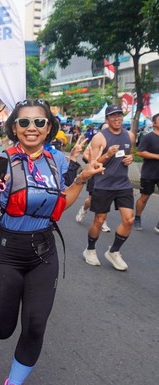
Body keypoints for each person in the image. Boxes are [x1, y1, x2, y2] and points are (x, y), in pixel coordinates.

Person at [0, 99, 104, 385]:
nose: (32, 128)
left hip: (43, 251)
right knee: (2, 326)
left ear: (48, 127)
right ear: (14, 128)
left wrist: (81, 179)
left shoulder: (56, 160)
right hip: (6, 251)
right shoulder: (2, 160)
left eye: (39, 122)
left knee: (36, 325)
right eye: (24, 122)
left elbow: (59, 205)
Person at [82, 104, 135, 271]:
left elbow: (129, 154)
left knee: (129, 220)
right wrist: (107, 154)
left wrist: (130, 158)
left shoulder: (130, 135)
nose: (117, 118)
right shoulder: (99, 138)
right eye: (113, 116)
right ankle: (90, 249)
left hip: (123, 184)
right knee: (99, 220)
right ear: (107, 119)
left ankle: (114, 251)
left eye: (119, 115)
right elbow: (92, 164)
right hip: (103, 184)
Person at [133, 113, 159, 232]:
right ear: (154, 123)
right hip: (149, 173)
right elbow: (139, 152)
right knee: (144, 197)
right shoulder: (148, 137)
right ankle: (137, 218)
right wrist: (156, 156)